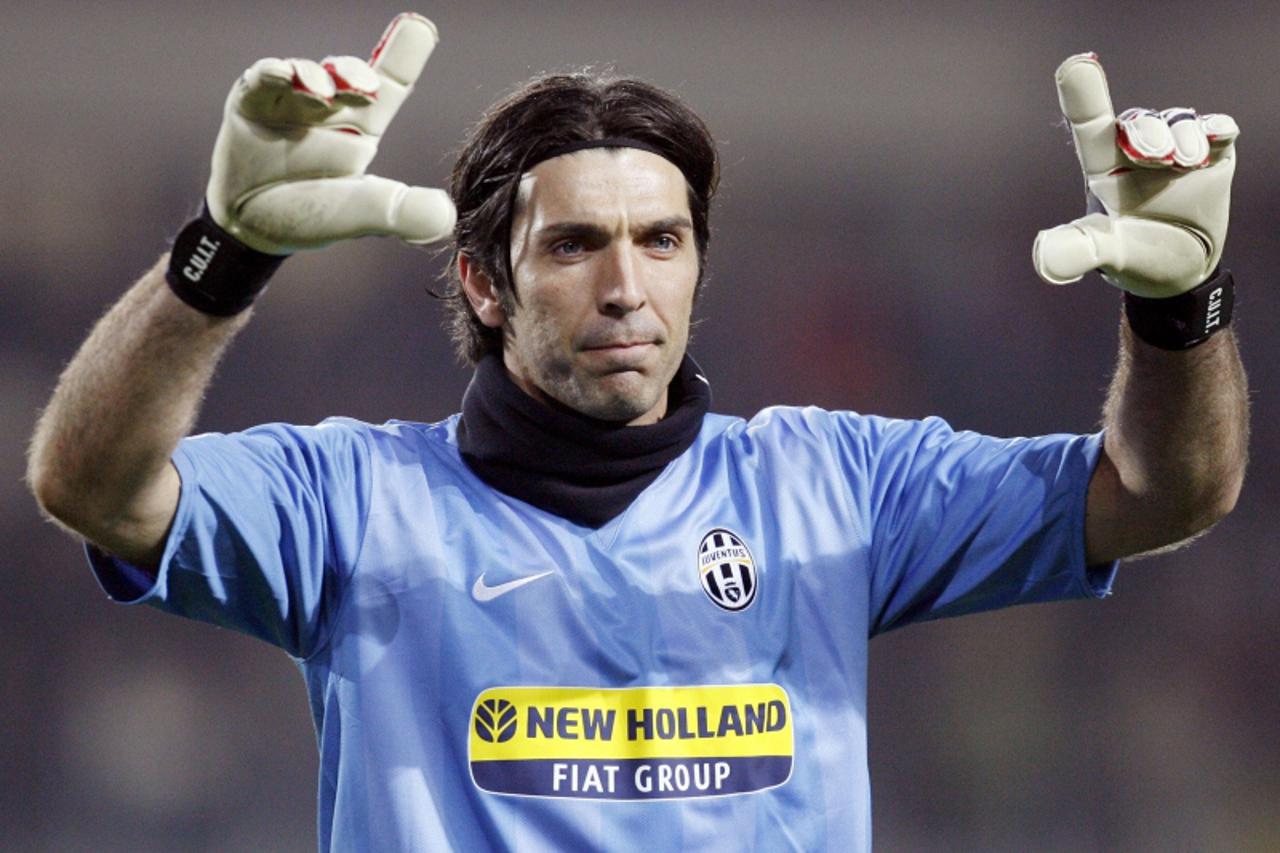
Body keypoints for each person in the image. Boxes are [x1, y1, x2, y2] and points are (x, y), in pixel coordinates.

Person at [26, 12, 1249, 852]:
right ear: (482, 284)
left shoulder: (834, 484)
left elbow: (1162, 492)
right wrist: (223, 258)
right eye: (573, 245)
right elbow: (89, 485)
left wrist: (1179, 311)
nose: (625, 287)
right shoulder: (350, 498)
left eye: (660, 241)